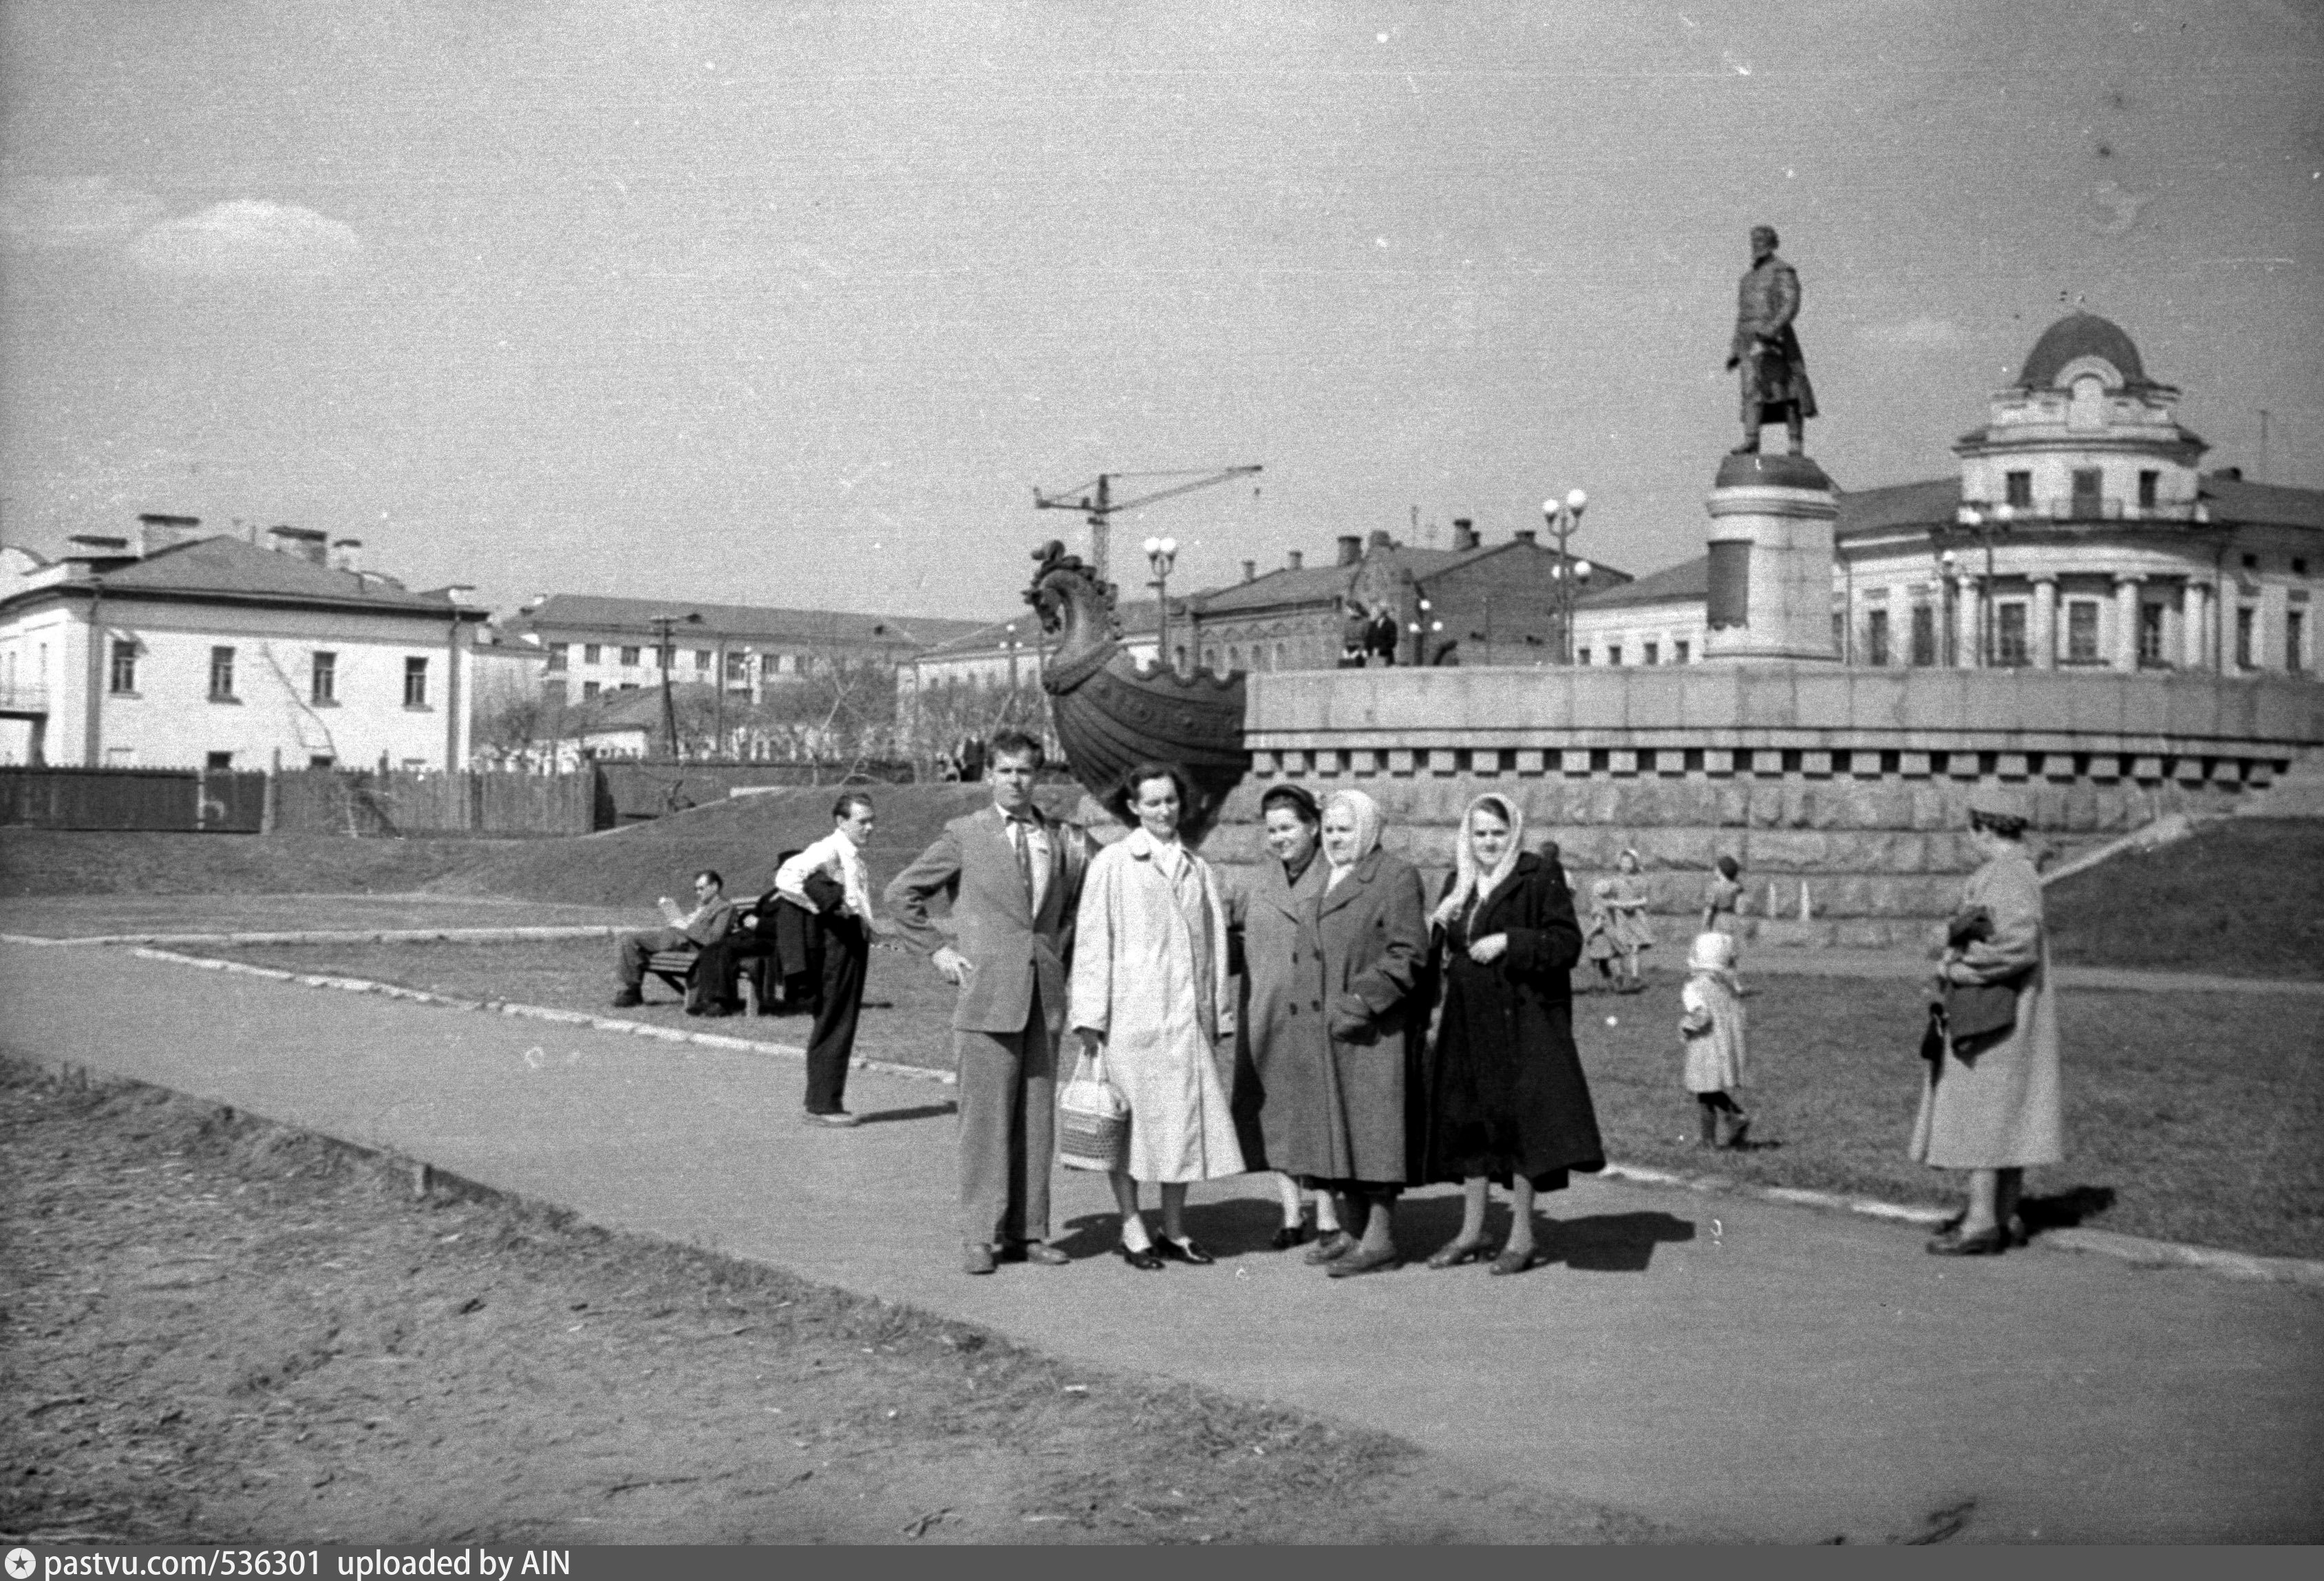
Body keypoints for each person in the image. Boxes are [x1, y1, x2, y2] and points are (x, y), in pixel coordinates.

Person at [886, 730, 1091, 1276]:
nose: (1015, 781)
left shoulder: (1061, 837)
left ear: (1037, 776)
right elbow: (900, 893)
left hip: (1042, 996)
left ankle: (1030, 1231)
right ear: (989, 775)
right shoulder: (965, 833)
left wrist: (1057, 958)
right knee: (983, 1122)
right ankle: (980, 1232)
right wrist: (937, 951)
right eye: (1005, 770)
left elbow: (1068, 910)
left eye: (1025, 771)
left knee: (1036, 1119)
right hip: (986, 996)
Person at [1068, 761, 1243, 1269]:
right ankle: (1130, 1226)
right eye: (1152, 802)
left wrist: (1217, 1014)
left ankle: (1174, 1229)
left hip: (1184, 1022)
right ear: (1133, 807)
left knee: (1181, 1126)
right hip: (1130, 1019)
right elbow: (1093, 942)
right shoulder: (1114, 864)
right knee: (1128, 1128)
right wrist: (1090, 1019)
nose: (1163, 810)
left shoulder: (1198, 866)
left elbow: (1213, 948)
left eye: (1170, 800)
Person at [1422, 793, 1606, 1276]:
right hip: (1467, 1021)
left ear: (1513, 833)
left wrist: (1510, 941)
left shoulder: (1535, 875)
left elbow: (1566, 943)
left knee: (1520, 1125)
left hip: (1519, 1024)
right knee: (1470, 1122)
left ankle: (1521, 1235)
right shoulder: (1458, 882)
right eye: (1479, 832)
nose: (1487, 842)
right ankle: (1471, 1231)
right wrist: (1436, 931)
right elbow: (1447, 950)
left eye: (1497, 833)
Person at [1911, 788, 2062, 1255]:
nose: (1970, 837)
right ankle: (2003, 1214)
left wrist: (1953, 968)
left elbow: (2014, 945)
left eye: (1971, 828)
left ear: (1983, 826)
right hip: (2009, 1011)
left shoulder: (2006, 874)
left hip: (1994, 1014)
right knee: (2005, 1113)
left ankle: (1980, 1222)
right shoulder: (2016, 872)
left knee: (1982, 1114)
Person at [1299, 788, 1431, 1279]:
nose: (1335, 838)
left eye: (1345, 828)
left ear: (1369, 829)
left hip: (1371, 1029)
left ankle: (1379, 1239)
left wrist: (1361, 1001)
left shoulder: (1394, 876)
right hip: (1329, 1029)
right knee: (1342, 1132)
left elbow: (1408, 951)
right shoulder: (1327, 875)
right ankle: (1353, 1232)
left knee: (1373, 1134)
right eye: (1329, 829)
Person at [1226, 783, 1345, 1251]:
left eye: (1288, 827)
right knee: (1273, 1113)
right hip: (1268, 1014)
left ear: (1313, 826)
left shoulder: (1337, 876)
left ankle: (1329, 1213)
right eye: (1271, 829)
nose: (1279, 838)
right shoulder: (1256, 883)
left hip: (1318, 1014)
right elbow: (1230, 939)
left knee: (1319, 1111)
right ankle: (1291, 1212)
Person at [777, 793, 880, 1126]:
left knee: (840, 1018)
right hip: (836, 943)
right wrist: (826, 909)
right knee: (835, 1019)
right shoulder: (828, 849)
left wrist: (869, 929)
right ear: (841, 821)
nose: (870, 827)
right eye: (862, 820)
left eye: (871, 819)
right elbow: (787, 877)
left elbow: (856, 900)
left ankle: (822, 1100)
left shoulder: (853, 857)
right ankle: (824, 1105)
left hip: (852, 939)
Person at [1725, 224, 1817, 456]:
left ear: (1772, 242)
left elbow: (1790, 304)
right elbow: (1742, 315)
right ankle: (1751, 441)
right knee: (1751, 392)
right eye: (1754, 240)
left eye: (1762, 239)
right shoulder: (1747, 279)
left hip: (1776, 341)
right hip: (1749, 343)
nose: (1757, 244)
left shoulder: (1783, 271)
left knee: (1788, 393)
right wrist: (1736, 348)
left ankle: (1795, 442)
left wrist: (1772, 329)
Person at [610, 869, 735, 1008]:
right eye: (696, 889)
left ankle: (630, 993)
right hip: (676, 937)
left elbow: (715, 938)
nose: (698, 893)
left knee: (630, 939)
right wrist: (678, 919)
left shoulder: (725, 908)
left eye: (701, 888)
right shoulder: (702, 907)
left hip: (687, 944)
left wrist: (685, 927)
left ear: (715, 886)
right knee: (626, 940)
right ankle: (629, 991)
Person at [1680, 931, 1750, 1149]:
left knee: (1704, 1092)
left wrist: (1685, 1026)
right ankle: (1734, 1116)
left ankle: (1708, 1140)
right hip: (1724, 1045)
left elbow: (1701, 1016)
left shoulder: (1693, 988)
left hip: (1705, 1045)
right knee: (1709, 1090)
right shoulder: (1727, 987)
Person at [1606, 848, 1656, 993]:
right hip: (1620, 918)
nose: (1626, 865)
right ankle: (1619, 975)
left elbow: (1644, 900)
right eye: (1623, 862)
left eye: (1629, 862)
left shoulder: (1641, 880)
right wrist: (1618, 906)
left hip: (1636, 918)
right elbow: (1609, 900)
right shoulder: (1614, 881)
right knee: (1620, 948)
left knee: (1635, 947)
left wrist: (1632, 904)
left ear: (1635, 864)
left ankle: (1635, 977)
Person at [1581, 878, 1621, 993]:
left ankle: (1595, 987)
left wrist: (1588, 934)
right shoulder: (1607, 904)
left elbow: (1599, 925)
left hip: (1599, 939)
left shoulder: (1597, 906)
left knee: (1594, 964)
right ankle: (1611, 986)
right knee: (1604, 964)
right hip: (1607, 938)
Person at [1700, 854, 1745, 936]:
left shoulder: (1714, 887)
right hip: (1733, 923)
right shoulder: (1737, 888)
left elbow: (1709, 909)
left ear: (1721, 870)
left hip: (1718, 922)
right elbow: (1740, 909)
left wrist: (1704, 927)